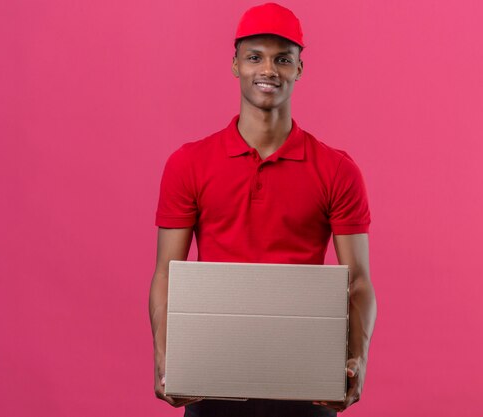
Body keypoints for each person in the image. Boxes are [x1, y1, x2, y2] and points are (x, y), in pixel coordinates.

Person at [149, 3, 377, 416]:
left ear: (299, 69)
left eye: (283, 59)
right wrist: (165, 354)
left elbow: (359, 281)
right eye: (255, 57)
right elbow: (167, 272)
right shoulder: (188, 164)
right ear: (235, 64)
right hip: (212, 376)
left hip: (307, 381)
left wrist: (357, 359)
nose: (268, 70)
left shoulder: (337, 170)